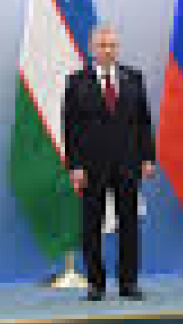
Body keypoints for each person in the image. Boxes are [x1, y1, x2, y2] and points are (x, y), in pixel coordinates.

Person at [62, 23, 156, 301]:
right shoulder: (76, 81)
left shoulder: (133, 77)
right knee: (91, 226)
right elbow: (70, 127)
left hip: (128, 163)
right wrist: (75, 166)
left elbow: (144, 122)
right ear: (92, 49)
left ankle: (129, 283)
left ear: (118, 48)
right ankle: (96, 284)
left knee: (130, 225)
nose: (108, 50)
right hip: (91, 166)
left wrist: (148, 157)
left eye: (112, 45)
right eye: (102, 45)